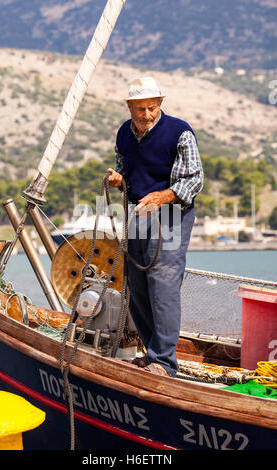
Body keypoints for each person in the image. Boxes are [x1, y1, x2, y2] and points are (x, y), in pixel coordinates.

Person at [108, 77, 203, 377]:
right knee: (137, 282)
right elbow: (126, 168)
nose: (146, 115)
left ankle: (165, 362)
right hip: (140, 211)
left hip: (173, 212)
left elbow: (194, 179)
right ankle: (152, 354)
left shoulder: (179, 132)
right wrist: (118, 179)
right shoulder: (124, 133)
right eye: (140, 110)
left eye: (152, 108)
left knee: (163, 284)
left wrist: (165, 195)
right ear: (129, 107)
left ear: (160, 104)